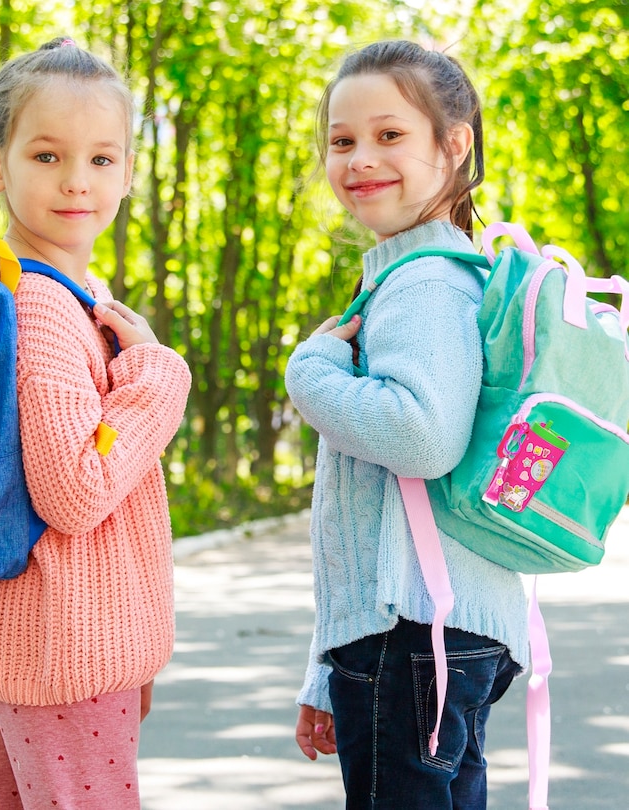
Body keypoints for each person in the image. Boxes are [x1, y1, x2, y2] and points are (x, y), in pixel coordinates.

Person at [0, 37, 191, 809]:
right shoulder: (42, 307)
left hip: (22, 642)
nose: (78, 180)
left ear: (129, 169)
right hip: (64, 651)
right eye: (47, 155)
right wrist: (158, 373)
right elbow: (76, 490)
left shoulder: (10, 286)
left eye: (101, 158)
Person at [284, 40, 530, 809]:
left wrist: (309, 372)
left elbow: (422, 438)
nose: (360, 158)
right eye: (342, 140)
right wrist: (328, 666)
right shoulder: (436, 273)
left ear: (454, 145)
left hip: (412, 634)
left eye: (389, 135)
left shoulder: (423, 283)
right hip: (434, 632)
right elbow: (374, 510)